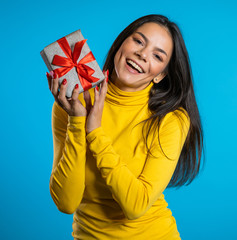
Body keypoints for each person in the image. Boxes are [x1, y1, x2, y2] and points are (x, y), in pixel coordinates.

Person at [46, 14, 204, 239]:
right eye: (138, 41)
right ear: (122, 43)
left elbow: (135, 206)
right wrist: (77, 121)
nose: (142, 54)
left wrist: (95, 133)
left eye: (157, 55)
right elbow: (66, 202)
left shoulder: (171, 120)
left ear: (160, 75)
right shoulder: (73, 103)